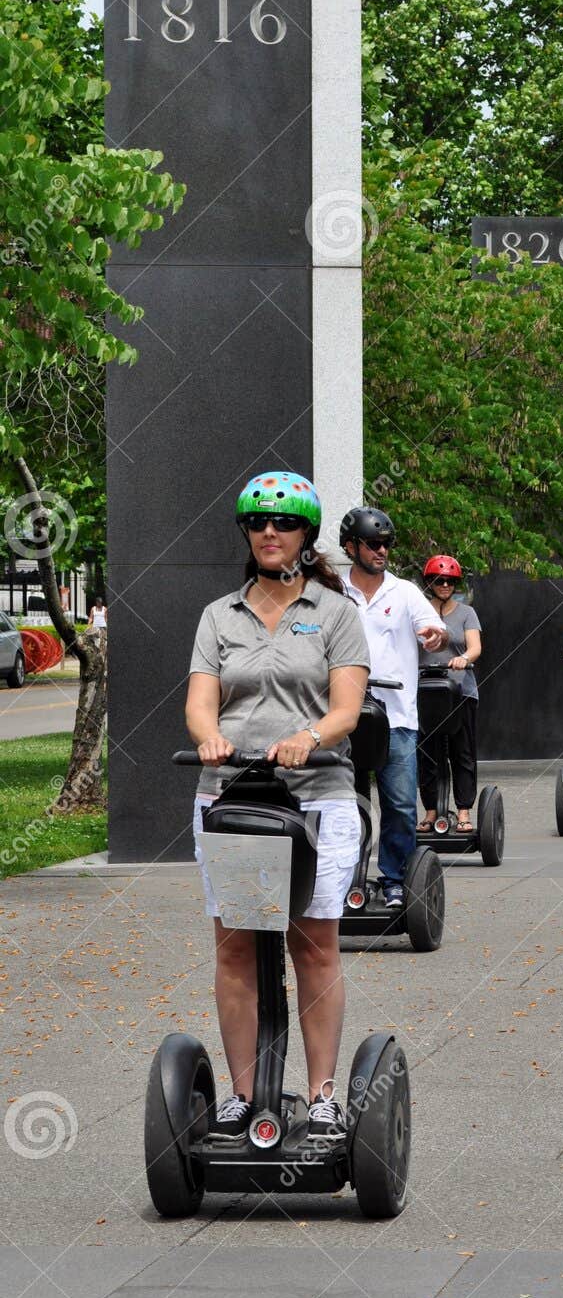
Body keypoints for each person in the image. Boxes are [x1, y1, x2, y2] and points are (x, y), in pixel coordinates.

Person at [186, 471, 369, 1143]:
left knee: (313, 944)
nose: (270, 532)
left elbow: (346, 708)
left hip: (316, 797)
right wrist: (210, 738)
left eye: (284, 522)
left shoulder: (334, 613)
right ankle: (241, 1097)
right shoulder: (219, 616)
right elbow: (201, 702)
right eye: (258, 522)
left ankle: (322, 1097)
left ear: (304, 535)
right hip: (232, 798)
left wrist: (308, 736)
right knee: (236, 947)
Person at [339, 507, 446, 908]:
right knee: (339, 804)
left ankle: (395, 879)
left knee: (400, 805)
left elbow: (432, 627)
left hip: (396, 716)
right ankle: (342, 876)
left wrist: (434, 634)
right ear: (351, 546)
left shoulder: (404, 592)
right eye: (373, 543)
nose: (382, 550)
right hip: (340, 715)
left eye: (387, 544)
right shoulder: (332, 591)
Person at [417, 554, 482, 833]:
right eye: (439, 580)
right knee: (428, 753)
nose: (444, 585)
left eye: (449, 581)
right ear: (429, 582)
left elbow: (475, 646)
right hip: (426, 691)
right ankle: (431, 811)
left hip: (460, 690)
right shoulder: (419, 610)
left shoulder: (466, 613)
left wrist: (464, 659)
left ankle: (464, 811)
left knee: (461, 752)